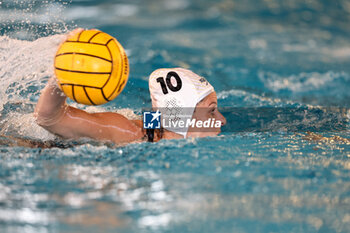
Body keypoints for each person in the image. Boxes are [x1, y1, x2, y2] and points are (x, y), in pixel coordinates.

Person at [34, 30, 227, 145]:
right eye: (211, 111)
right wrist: (63, 76)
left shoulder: (160, 128)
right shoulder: (129, 133)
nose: (222, 120)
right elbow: (48, 117)